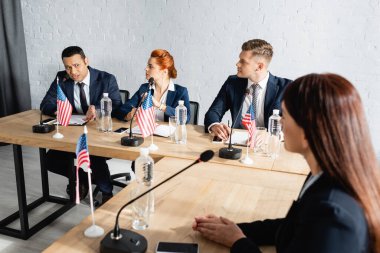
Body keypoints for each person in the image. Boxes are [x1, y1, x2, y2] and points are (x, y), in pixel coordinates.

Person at [193, 73, 380, 253]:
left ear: (307, 132)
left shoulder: (333, 214)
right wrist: (235, 229)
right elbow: (294, 226)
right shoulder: (323, 173)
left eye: (285, 117)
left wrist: (238, 242)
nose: (279, 123)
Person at [40, 46, 122, 204]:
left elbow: (117, 105)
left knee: (94, 155)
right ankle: (82, 179)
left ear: (86, 61)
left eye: (76, 65)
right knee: (50, 160)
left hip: (98, 131)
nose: (72, 72)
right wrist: (58, 110)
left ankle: (107, 193)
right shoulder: (61, 78)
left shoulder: (106, 79)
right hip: (71, 132)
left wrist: (98, 110)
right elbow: (45, 104)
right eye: (68, 67)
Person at [204, 39, 291, 141]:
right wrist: (215, 125)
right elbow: (213, 112)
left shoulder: (286, 87)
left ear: (259, 66)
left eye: (243, 62)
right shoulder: (232, 83)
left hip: (269, 147)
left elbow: (299, 126)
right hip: (237, 145)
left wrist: (273, 135)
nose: (237, 64)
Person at [114, 49, 190, 123]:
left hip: (170, 134)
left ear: (164, 71)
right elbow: (122, 109)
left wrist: (160, 106)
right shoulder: (144, 88)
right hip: (145, 134)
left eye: (150, 66)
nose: (146, 69)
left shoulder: (181, 92)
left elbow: (186, 118)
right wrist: (129, 115)